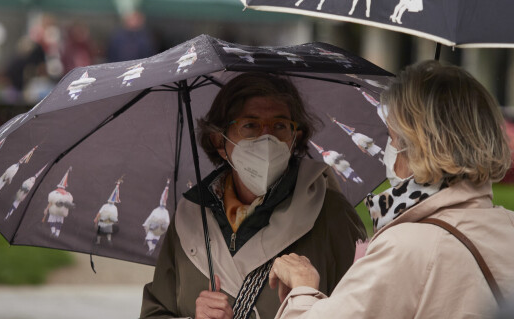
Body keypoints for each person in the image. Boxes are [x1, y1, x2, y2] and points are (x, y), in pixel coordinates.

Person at [269, 60, 514, 319]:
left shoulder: (409, 245)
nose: (387, 150)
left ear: (420, 146)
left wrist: (303, 288)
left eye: (392, 136)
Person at [140, 72, 366, 319]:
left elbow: (365, 309)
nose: (266, 138)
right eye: (250, 125)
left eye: (280, 126)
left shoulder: (330, 212)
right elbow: (155, 312)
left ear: (295, 137)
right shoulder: (190, 217)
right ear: (219, 141)